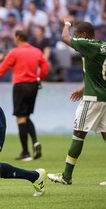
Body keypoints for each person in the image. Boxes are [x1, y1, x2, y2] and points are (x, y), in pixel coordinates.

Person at [47, 18, 106, 186]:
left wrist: (66, 24)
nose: (76, 38)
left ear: (85, 36)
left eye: (78, 35)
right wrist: (84, 87)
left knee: (78, 133)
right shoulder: (103, 46)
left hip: (93, 99)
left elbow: (64, 38)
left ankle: (66, 176)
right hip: (104, 97)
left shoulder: (88, 45)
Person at [0, 30, 49, 161]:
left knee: (20, 118)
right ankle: (35, 141)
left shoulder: (15, 52)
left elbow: (3, 68)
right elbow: (45, 66)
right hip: (33, 86)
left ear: (18, 37)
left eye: (14, 37)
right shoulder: (37, 51)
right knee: (25, 116)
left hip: (20, 86)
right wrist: (39, 78)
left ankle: (25, 152)